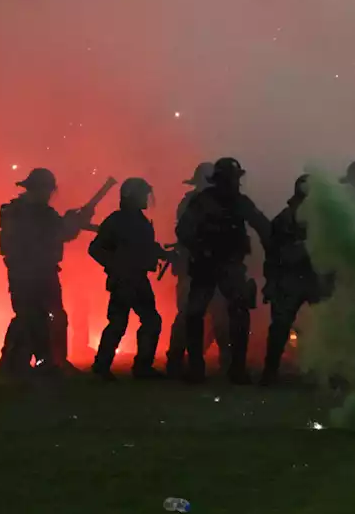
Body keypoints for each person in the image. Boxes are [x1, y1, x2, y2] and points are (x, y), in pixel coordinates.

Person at [176, 157, 270, 384]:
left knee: (231, 314)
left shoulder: (232, 202)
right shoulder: (204, 202)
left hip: (225, 266)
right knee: (198, 314)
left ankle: (232, 368)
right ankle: (203, 368)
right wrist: (201, 250)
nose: (235, 184)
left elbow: (263, 226)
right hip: (210, 266)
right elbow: (184, 231)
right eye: (232, 179)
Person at [0, 168, 93, 375]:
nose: (48, 194)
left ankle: (52, 361)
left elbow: (61, 233)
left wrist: (73, 222)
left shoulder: (41, 213)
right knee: (29, 317)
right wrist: (71, 222)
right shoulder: (18, 212)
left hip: (43, 272)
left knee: (53, 316)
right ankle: (16, 362)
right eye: (44, 189)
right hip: (25, 273)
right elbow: (52, 233)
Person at [88, 178, 170, 380]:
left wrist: (164, 254)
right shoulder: (119, 221)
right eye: (142, 195)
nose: (146, 199)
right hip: (126, 280)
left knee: (127, 322)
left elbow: (144, 247)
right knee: (136, 321)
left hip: (133, 278)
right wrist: (117, 266)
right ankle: (129, 368)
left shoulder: (134, 221)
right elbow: (96, 249)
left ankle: (105, 366)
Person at [261, 174, 324, 385]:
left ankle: (323, 371)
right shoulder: (286, 219)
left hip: (311, 277)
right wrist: (271, 281)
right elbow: (273, 254)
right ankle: (270, 372)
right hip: (292, 278)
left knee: (324, 325)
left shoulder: (320, 218)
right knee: (281, 326)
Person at [165, 162, 225, 378]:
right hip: (193, 268)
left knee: (217, 315)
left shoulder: (217, 203)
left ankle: (219, 361)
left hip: (211, 268)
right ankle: (178, 361)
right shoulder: (192, 203)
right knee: (189, 315)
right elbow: (186, 234)